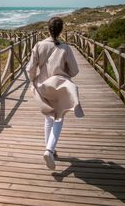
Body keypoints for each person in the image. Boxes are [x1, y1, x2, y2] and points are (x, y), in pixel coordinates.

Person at [26, 16, 84, 170]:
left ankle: (50, 149)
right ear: (61, 30)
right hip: (58, 87)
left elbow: (30, 68)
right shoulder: (65, 48)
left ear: (48, 29)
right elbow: (75, 71)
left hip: (43, 86)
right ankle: (49, 150)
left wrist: (33, 80)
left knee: (48, 118)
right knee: (58, 119)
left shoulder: (39, 45)